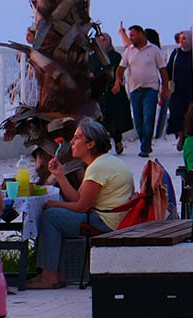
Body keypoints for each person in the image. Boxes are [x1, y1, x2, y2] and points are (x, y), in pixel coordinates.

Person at [29, 118, 136, 289]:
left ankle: (49, 276)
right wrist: (59, 175)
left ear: (90, 144)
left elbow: (81, 207)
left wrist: (56, 205)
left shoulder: (98, 168)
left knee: (51, 217)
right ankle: (57, 274)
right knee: (56, 214)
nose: (71, 142)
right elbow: (78, 199)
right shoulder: (105, 162)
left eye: (77, 137)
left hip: (107, 222)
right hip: (113, 218)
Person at [120, 26, 165, 157]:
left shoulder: (154, 50)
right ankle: (145, 143)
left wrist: (165, 87)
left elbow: (162, 69)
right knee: (138, 121)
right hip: (135, 90)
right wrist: (117, 80)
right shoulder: (129, 51)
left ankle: (145, 147)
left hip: (151, 90)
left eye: (132, 35)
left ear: (140, 34)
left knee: (149, 118)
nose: (130, 38)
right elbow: (121, 68)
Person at [161, 31, 193, 139]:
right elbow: (169, 69)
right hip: (177, 91)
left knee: (190, 114)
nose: (182, 41)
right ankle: (180, 135)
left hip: (191, 90)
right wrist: (165, 86)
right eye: (180, 39)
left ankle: (187, 136)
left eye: (184, 38)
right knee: (176, 114)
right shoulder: (176, 53)